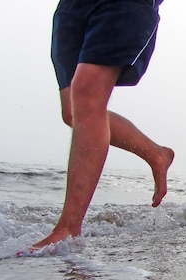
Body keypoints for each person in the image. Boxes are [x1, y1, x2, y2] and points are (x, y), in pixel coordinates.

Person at [32, 0, 174, 249]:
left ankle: (68, 228)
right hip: (71, 7)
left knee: (87, 92)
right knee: (74, 113)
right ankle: (157, 155)